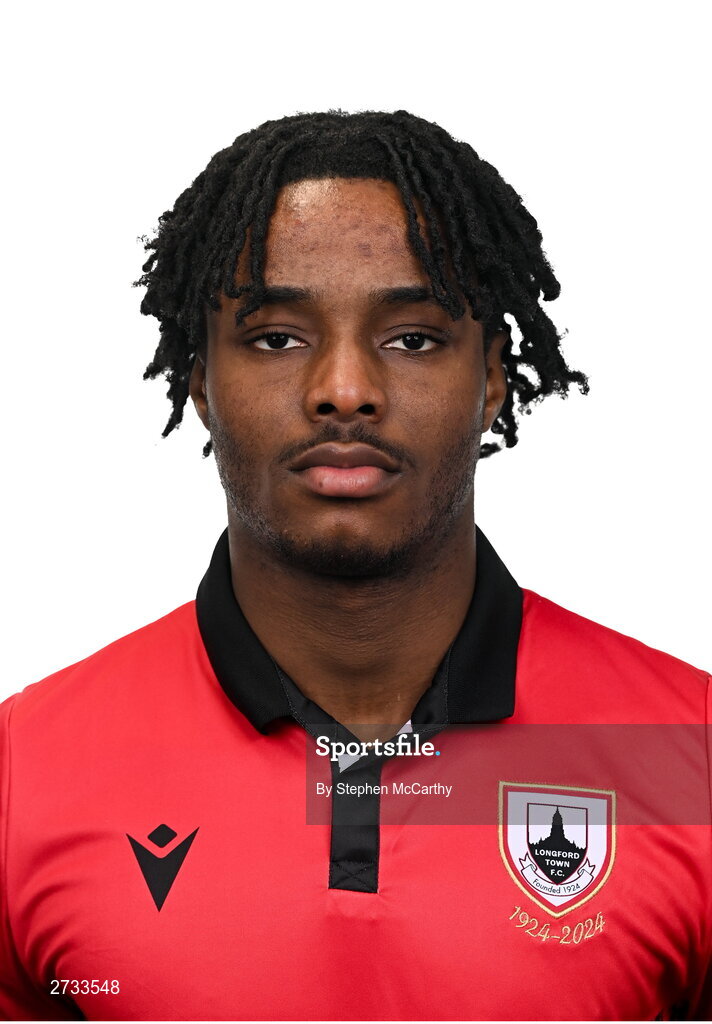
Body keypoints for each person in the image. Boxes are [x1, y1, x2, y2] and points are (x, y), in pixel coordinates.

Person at [0, 110, 709, 1022]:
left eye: (412, 338)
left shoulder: (690, 755)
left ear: (493, 377)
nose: (344, 390)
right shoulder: (24, 772)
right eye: (276, 337)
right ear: (200, 379)